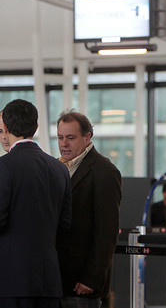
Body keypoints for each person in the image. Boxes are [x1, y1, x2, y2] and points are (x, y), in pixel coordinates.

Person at [0, 99, 72, 308]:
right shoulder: (59, 169)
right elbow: (65, 224)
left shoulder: (4, 166)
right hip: (48, 281)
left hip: (11, 281)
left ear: (7, 128)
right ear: (36, 127)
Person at [55, 110, 122, 308]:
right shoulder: (56, 168)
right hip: (54, 279)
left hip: (81, 285)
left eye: (70, 138)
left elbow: (107, 232)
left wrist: (91, 278)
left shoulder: (105, 172)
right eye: (60, 137)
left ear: (87, 138)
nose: (64, 144)